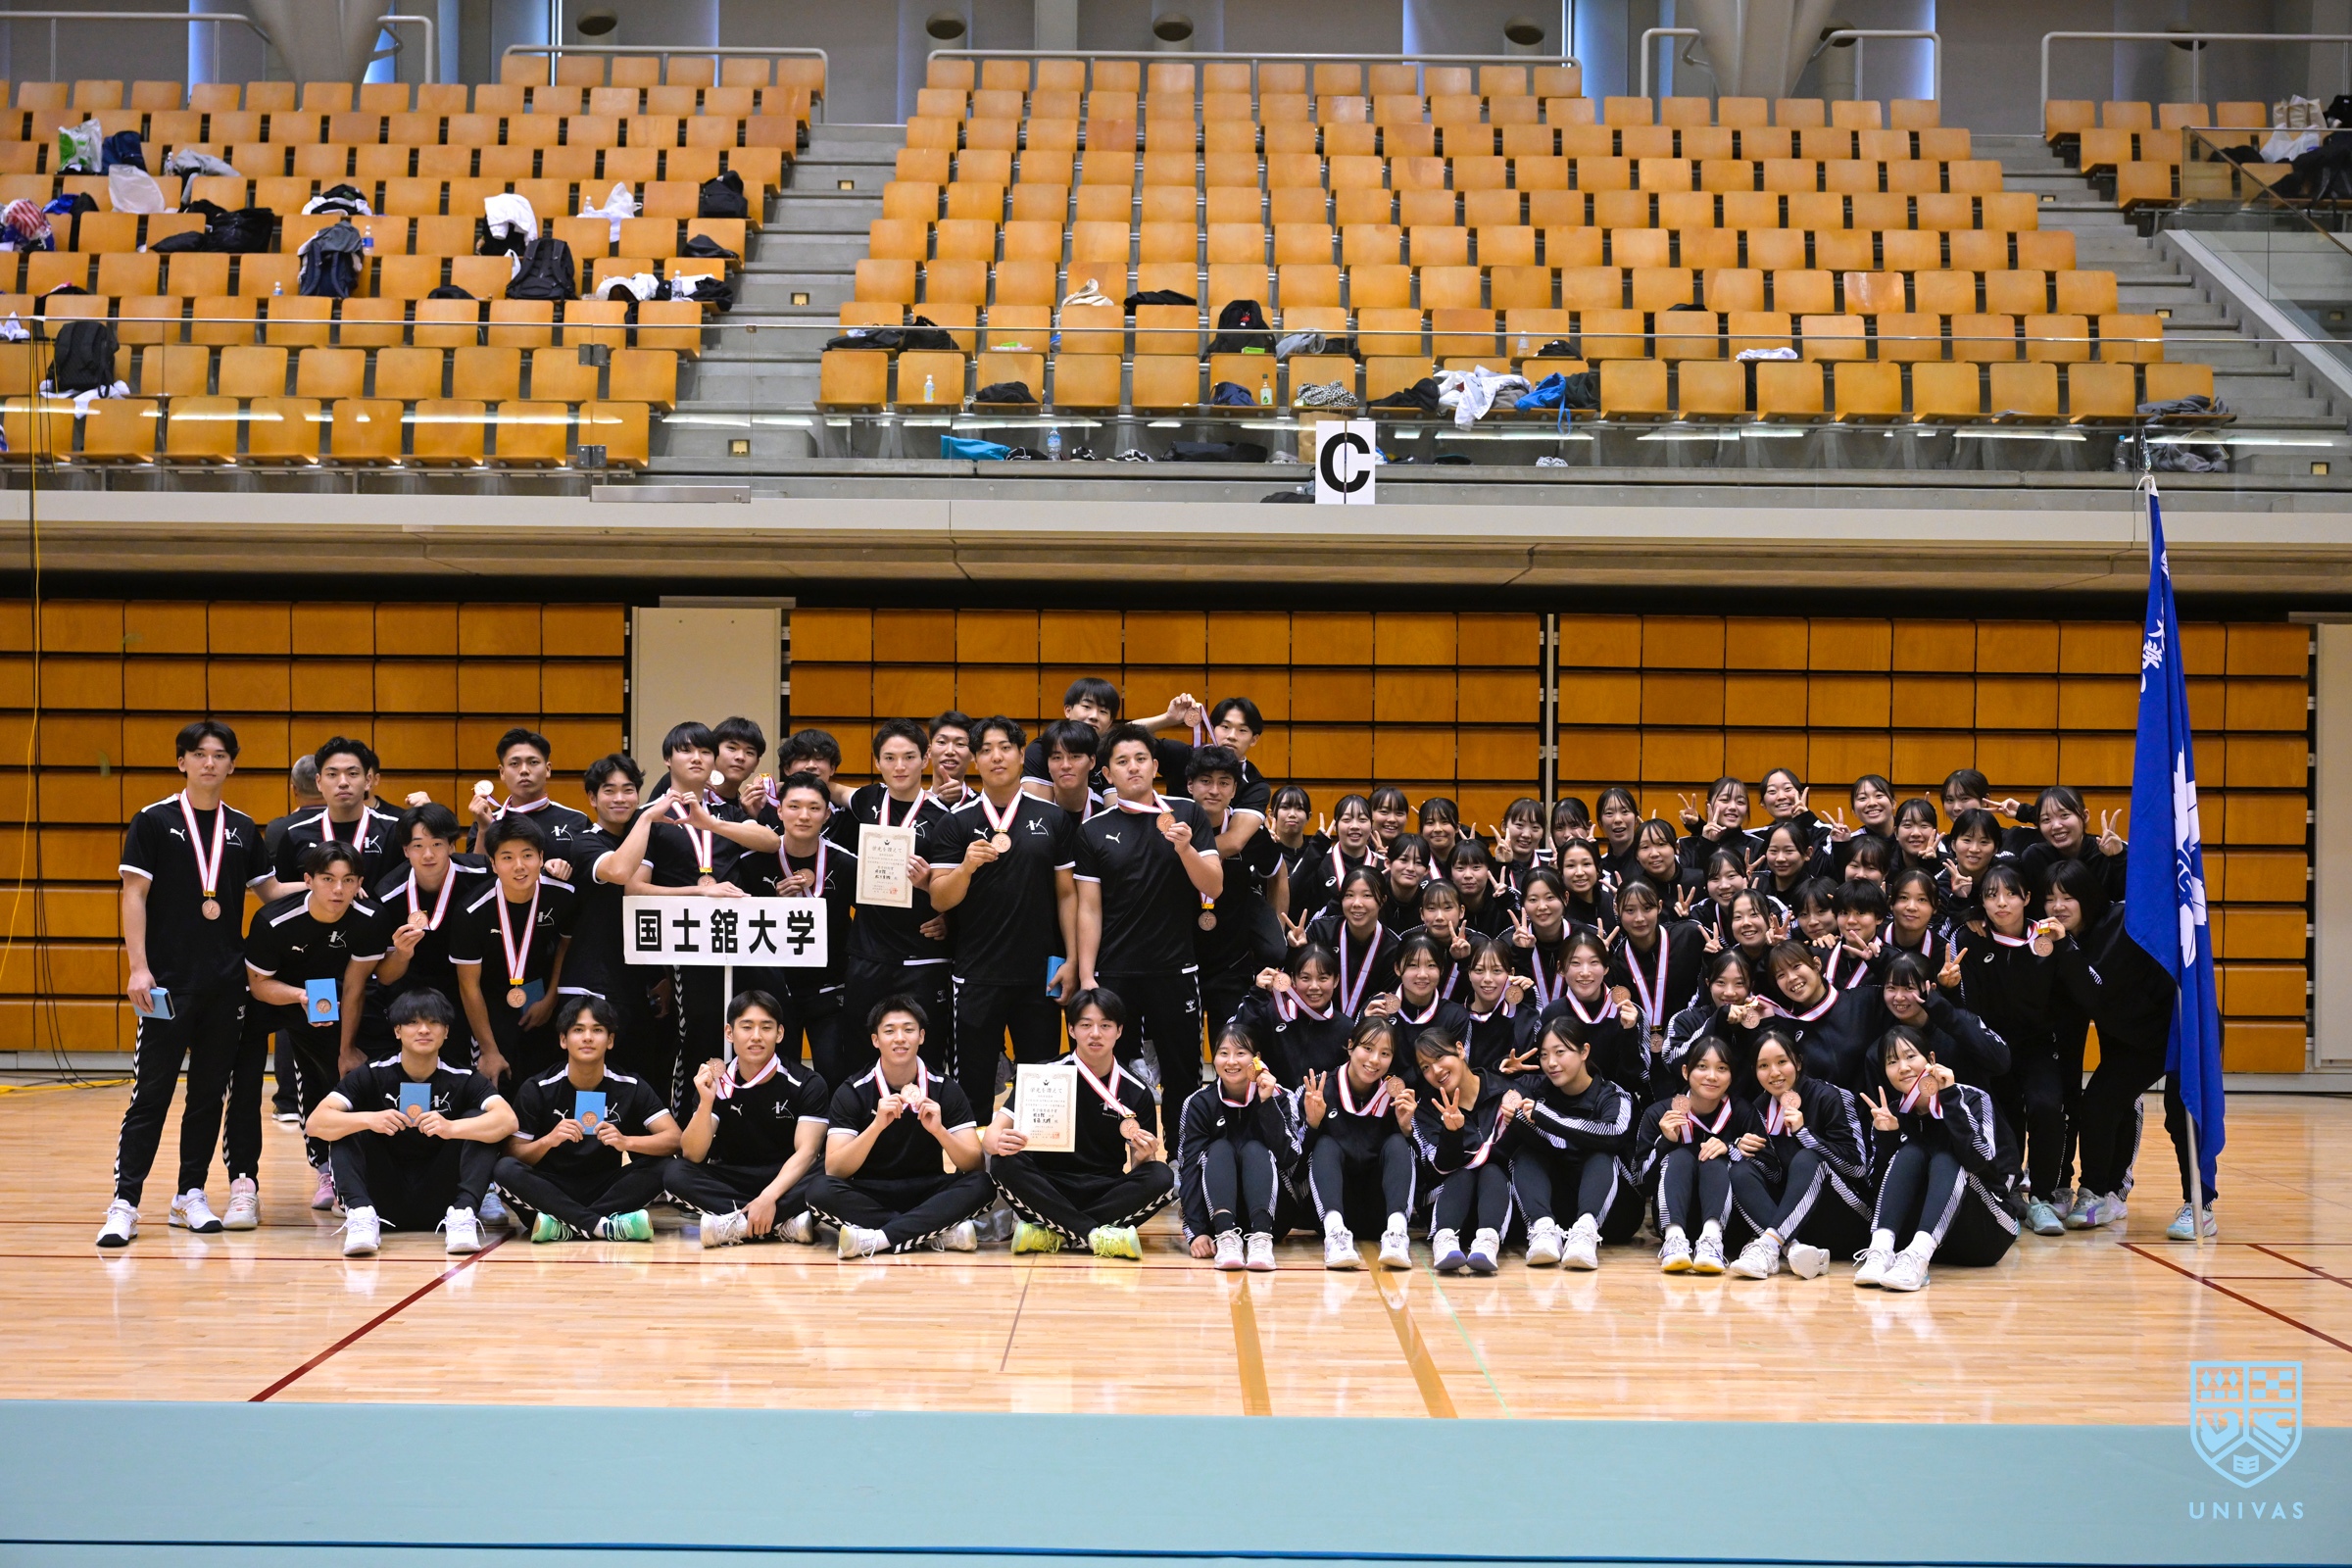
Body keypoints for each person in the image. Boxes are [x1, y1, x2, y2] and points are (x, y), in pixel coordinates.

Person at [101, 720, 278, 1247]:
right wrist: (138, 967)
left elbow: (271, 893)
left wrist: (334, 885)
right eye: (199, 754)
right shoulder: (154, 820)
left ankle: (189, 1194)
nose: (209, 763)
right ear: (182, 761)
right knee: (150, 1095)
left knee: (206, 1097)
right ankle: (125, 1203)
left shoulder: (242, 828)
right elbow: (133, 894)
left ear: (232, 765)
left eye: (219, 755)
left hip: (225, 986)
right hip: (166, 986)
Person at [923, 715, 1081, 1117]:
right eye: (986, 750)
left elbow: (1068, 895)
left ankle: (1030, 1158)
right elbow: (940, 899)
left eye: (1005, 748)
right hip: (976, 975)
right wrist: (965, 868)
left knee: (1040, 1087)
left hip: (1040, 976)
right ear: (975, 760)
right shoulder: (956, 822)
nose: (996, 757)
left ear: (1022, 755)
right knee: (973, 1087)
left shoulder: (1053, 818)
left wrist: (1073, 960)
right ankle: (973, 1159)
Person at [1070, 722, 1223, 1136]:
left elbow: (1213, 886)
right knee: (1109, 1070)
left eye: (1141, 759)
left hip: (1175, 969)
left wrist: (1185, 848)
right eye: (1122, 761)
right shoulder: (1092, 830)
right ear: (1108, 773)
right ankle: (1111, 1156)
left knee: (1182, 1070)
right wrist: (1087, 977)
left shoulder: (1187, 813)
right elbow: (1089, 909)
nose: (1133, 767)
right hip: (1115, 971)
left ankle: (1181, 1154)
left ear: (1155, 766)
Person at [2045, 859, 2211, 1240]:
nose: (2058, 906)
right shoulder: (2064, 939)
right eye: (2050, 898)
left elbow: (2095, 990)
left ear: (2087, 897)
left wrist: (2064, 946)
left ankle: (2200, 1205)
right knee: (2098, 1103)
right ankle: (2097, 1194)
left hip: (2180, 1029)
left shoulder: (2118, 924)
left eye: (2067, 897)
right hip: (2136, 1039)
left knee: (2182, 1115)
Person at [305, 989, 516, 1257]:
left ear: (446, 1032)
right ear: (397, 1030)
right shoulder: (372, 1073)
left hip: (443, 1199)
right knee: (346, 1124)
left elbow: (508, 1120)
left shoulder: (464, 1077)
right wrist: (370, 1119)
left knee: (479, 1122)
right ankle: (360, 1216)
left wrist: (451, 1128)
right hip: (383, 1198)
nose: (424, 1030)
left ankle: (464, 1215)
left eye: (433, 1022)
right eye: (413, 1022)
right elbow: (316, 1123)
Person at [242, 841, 392, 1211]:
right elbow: (259, 985)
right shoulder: (272, 920)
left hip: (330, 998)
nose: (338, 889)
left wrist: (347, 1049)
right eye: (328, 879)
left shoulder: (371, 918)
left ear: (359, 883)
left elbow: (355, 988)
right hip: (276, 995)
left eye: (348, 880)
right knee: (243, 1081)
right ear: (308, 880)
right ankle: (242, 1183)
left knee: (333, 1077)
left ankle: (333, 1170)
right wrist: (299, 996)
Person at [982, 988, 1174, 1258]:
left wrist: (1145, 1155)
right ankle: (1093, 1235)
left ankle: (1054, 1232)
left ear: (1119, 1031)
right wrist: (999, 1143)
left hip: (1105, 1190)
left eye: (1105, 1025)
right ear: (1071, 1029)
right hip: (1047, 1187)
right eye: (1086, 1025)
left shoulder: (1137, 1091)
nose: (1095, 1034)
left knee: (1161, 1176)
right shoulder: (1043, 1075)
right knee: (1004, 1163)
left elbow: (1139, 1167)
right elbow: (991, 1137)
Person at [808, 995, 993, 1256]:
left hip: (929, 1190)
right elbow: (835, 1169)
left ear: (921, 1036)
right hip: (871, 1192)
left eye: (908, 1030)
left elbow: (974, 1164)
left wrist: (939, 1131)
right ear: (875, 1040)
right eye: (889, 1031)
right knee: (819, 1190)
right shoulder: (852, 1091)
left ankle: (879, 1238)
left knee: (982, 1185)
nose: (900, 1038)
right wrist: (875, 1127)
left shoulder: (945, 1088)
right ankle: (932, 1231)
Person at [495, 995, 681, 1242]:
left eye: (597, 1030)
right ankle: (603, 1226)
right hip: (550, 1191)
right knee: (504, 1169)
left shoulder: (630, 1085)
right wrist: (548, 1141)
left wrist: (627, 1142)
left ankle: (565, 1226)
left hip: (605, 1190)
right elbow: (512, 1153)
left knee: (668, 1166)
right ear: (563, 1040)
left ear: (610, 1040)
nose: (588, 1037)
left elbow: (674, 1138)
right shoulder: (537, 1088)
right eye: (578, 1030)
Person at [1854, 1025, 2024, 1292]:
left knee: (1946, 1158)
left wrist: (1951, 1099)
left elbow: (1982, 1161)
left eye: (1911, 1056)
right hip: (1917, 1238)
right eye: (1892, 1062)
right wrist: (1887, 1138)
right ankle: (1881, 1252)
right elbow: (1874, 1188)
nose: (1903, 1068)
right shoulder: (1892, 1113)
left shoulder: (1971, 1098)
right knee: (1910, 1152)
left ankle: (1918, 1257)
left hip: (1983, 1232)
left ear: (1931, 1058)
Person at [829, 720, 956, 1076]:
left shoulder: (946, 819)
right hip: (869, 952)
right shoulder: (867, 800)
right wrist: (774, 788)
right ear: (877, 762)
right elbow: (830, 788)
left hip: (923, 955)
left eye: (909, 757)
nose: (899, 766)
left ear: (926, 759)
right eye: (889, 758)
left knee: (925, 1051)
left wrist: (945, 910)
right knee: (860, 1048)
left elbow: (963, 887)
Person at [664, 990, 829, 1249]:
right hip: (733, 1177)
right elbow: (693, 1154)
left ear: (780, 1033)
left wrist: (768, 1197)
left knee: (831, 1166)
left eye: (766, 1027)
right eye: (747, 1026)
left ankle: (738, 1225)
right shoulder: (718, 1082)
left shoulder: (807, 1082)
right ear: (729, 1033)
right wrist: (706, 1102)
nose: (756, 1036)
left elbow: (807, 1153)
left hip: (787, 1179)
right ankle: (783, 1223)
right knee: (675, 1173)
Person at [1954, 863, 2067, 1232]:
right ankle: (2010, 1191)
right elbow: (1968, 1006)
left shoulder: (2048, 937)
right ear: (1982, 903)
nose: (2001, 903)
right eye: (1991, 896)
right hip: (1992, 1048)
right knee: (2004, 1118)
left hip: (2038, 1047)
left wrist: (2065, 946)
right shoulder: (1969, 937)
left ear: (2027, 898)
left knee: (2046, 1107)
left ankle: (2043, 1197)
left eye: (2010, 894)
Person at [1723, 1029, 1873, 1280]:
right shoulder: (1759, 1108)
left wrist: (1805, 1134)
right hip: (1797, 1224)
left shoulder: (1831, 1096)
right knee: (1740, 1171)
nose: (1774, 1072)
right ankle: (1793, 1250)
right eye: (1763, 1066)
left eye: (1782, 1062)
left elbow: (1857, 1168)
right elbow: (1774, 1174)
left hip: (1843, 1215)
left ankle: (1768, 1246)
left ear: (1798, 1062)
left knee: (1807, 1159)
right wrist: (1739, 1148)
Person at [353, 803, 489, 1066]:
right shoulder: (388, 894)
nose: (428, 854)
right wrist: (402, 954)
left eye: (437, 844)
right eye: (417, 845)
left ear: (452, 846)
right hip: (411, 989)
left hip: (473, 983)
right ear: (406, 850)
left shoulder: (481, 874)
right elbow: (385, 976)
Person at [447, 815, 577, 1090]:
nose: (519, 866)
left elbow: (566, 945)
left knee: (544, 1086)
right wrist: (489, 1050)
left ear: (541, 858)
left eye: (527, 855)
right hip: (490, 1004)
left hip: (542, 998)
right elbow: (468, 985)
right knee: (496, 1084)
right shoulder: (471, 911)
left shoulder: (562, 895)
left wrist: (551, 998)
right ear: (493, 863)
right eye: (507, 857)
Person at [1504, 1015, 1642, 1270]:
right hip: (1560, 1211)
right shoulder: (1538, 1093)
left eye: (1560, 1052)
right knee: (1525, 1153)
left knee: (1600, 1152)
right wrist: (1517, 1115)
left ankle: (1585, 1233)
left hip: (1615, 1215)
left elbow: (1613, 1133)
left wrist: (1548, 1119)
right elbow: (1548, 1143)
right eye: (1544, 1055)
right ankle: (1542, 1229)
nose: (1551, 1063)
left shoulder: (1613, 1094)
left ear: (1584, 1051)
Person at [1177, 1027, 1304, 1271]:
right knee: (1220, 1149)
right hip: (1216, 1221)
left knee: (1254, 1149)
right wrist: (1197, 1231)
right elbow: (1189, 1168)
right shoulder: (1199, 1102)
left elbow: (1291, 1160)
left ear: (1257, 1059)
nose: (1232, 1061)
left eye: (1241, 1053)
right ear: (1214, 1058)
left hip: (1273, 1217)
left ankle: (1261, 1239)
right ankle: (1227, 1237)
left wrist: (1267, 1103)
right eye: (1223, 1053)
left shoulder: (1281, 1097)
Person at [1299, 1017, 1419, 1269]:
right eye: (1367, 1048)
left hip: (1380, 1212)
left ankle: (1397, 1235)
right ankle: (1335, 1236)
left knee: (1398, 1142)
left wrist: (1408, 1130)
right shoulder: (1319, 1089)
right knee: (1325, 1144)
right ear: (1350, 1046)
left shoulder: (1398, 1097)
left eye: (1385, 1053)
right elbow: (1295, 1168)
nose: (1375, 1060)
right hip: (1334, 1210)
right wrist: (1312, 1125)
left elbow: (1425, 1169)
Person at [1635, 1035, 1760, 1274]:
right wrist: (1665, 1143)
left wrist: (1731, 1149)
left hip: (1729, 1230)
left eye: (1721, 1068)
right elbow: (1640, 1183)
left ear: (1731, 1075)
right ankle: (1674, 1240)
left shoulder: (1743, 1113)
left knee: (1714, 1159)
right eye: (1702, 1067)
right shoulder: (1659, 1113)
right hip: (1673, 1224)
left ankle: (1712, 1240)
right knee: (1680, 1156)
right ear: (1685, 1071)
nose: (1712, 1076)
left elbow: (1771, 1171)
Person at [1188, 744, 1288, 1036]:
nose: (1214, 790)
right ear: (1190, 785)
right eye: (1205, 781)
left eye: (1224, 783)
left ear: (1234, 790)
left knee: (1233, 1048)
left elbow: (1278, 875)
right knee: (1182, 1056)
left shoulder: (1251, 835)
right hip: (1183, 964)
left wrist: (1276, 927)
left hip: (1232, 965)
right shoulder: (1176, 830)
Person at [1411, 1029, 1518, 1274]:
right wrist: (1452, 1133)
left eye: (1439, 1057)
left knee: (1492, 1171)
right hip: (1447, 1201)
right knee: (1462, 1174)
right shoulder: (1426, 1109)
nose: (1436, 1070)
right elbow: (1438, 1167)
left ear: (1460, 1050)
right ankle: (1444, 1240)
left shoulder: (1506, 1092)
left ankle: (1487, 1243)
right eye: (1425, 1067)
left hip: (1497, 1206)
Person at [262, 754, 324, 1122]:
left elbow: (275, 887)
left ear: (293, 789)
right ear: (322, 783)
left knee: (294, 1008)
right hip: (328, 931)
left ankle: (287, 1100)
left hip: (290, 929)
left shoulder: (278, 827)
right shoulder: (295, 831)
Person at [268, 736, 403, 897]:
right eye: (332, 774)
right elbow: (282, 898)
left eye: (352, 773)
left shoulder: (394, 831)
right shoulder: (295, 835)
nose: (343, 782)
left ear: (368, 781)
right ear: (319, 782)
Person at [1228, 945, 1353, 1087]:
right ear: (1293, 979)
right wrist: (1256, 997)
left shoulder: (1346, 1028)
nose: (1314, 986)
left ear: (1336, 980)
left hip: (1320, 1101)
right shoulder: (1271, 1012)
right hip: (1270, 1098)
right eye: (1305, 978)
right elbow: (1234, 1039)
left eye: (1323, 978)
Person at [465, 727, 591, 861]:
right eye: (514, 763)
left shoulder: (577, 821)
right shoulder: (486, 822)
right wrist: (485, 830)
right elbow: (475, 873)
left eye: (533, 762)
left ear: (548, 769)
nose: (524, 770)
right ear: (502, 772)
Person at [1291, 863, 1397, 1013]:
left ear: (1383, 899)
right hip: (1318, 1018)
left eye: (1367, 895)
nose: (1357, 903)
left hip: (1369, 1025)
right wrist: (1297, 950)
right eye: (1349, 895)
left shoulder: (1393, 948)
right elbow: (1296, 982)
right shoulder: (1321, 930)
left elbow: (1390, 1003)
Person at [925, 710, 974, 807]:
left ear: (973, 754)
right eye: (942, 742)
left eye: (960, 744)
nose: (950, 751)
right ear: (929, 751)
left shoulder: (980, 805)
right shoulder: (916, 805)